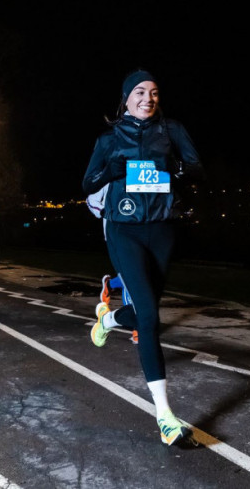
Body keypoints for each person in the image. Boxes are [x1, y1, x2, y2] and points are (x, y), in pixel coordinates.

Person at [81, 69, 205, 446]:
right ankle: (166, 417)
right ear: (126, 97)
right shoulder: (108, 137)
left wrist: (176, 170)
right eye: (139, 91)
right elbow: (87, 184)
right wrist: (111, 170)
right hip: (124, 228)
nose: (147, 97)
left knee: (144, 312)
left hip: (163, 229)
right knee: (149, 317)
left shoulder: (172, 130)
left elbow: (196, 168)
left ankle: (110, 317)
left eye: (153, 92)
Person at [87, 185, 137, 344]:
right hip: (117, 235)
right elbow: (91, 200)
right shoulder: (110, 171)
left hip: (144, 234)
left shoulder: (147, 167)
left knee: (143, 280)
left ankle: (110, 285)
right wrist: (106, 212)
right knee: (132, 281)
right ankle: (137, 328)